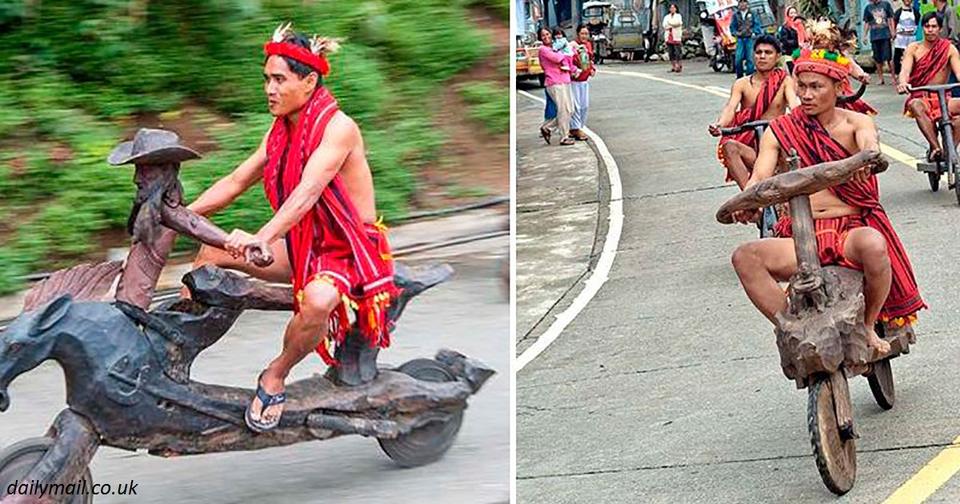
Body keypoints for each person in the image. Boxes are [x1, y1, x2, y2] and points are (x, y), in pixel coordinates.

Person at [185, 23, 401, 432]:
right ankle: (175, 342)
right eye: (266, 79)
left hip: (347, 251)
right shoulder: (281, 128)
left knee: (318, 301)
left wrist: (261, 238)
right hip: (305, 243)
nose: (269, 89)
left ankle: (275, 374)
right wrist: (177, 214)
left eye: (279, 79)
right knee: (210, 253)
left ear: (309, 81)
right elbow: (234, 183)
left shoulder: (339, 128)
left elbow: (305, 194)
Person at [730, 47, 926, 355]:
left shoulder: (857, 123)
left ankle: (867, 325)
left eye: (816, 87)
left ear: (838, 88)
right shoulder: (780, 131)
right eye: (802, 86)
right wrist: (746, 201)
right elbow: (759, 178)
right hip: (800, 235)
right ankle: (794, 327)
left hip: (851, 230)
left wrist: (864, 161)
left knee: (874, 246)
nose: (806, 95)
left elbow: (870, 148)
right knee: (745, 257)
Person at [709, 34, 800, 189]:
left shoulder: (785, 81)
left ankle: (786, 200)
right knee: (729, 147)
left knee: (791, 150)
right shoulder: (742, 83)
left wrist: (802, 119)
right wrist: (719, 125)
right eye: (758, 52)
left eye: (768, 53)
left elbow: (794, 104)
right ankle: (750, 201)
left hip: (776, 144)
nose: (762, 56)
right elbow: (730, 108)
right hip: (752, 145)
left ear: (777, 56)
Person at [897, 11, 960, 161]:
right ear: (922, 28)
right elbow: (905, 70)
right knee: (915, 105)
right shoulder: (913, 48)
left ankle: (950, 150)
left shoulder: (949, 48)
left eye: (934, 26)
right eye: (927, 26)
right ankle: (935, 147)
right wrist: (903, 83)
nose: (930, 30)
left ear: (939, 29)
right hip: (921, 97)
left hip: (944, 98)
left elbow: (959, 72)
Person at [536, 27, 576, 145]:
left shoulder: (555, 47)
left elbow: (569, 61)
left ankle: (547, 127)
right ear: (540, 38)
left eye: (548, 34)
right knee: (563, 110)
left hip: (565, 80)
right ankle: (564, 137)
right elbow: (558, 58)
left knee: (570, 110)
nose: (546, 37)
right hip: (554, 82)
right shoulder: (543, 50)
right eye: (543, 35)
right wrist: (565, 48)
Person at [569, 24, 596, 141]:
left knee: (584, 106)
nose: (584, 36)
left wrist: (592, 69)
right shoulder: (572, 46)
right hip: (575, 80)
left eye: (586, 34)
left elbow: (590, 60)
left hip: (585, 80)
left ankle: (579, 127)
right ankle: (575, 128)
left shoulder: (588, 45)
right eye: (582, 34)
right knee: (576, 106)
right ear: (578, 34)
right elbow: (570, 61)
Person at [864, 0, 898, 85]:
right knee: (877, 58)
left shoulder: (886, 4)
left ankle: (893, 78)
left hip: (885, 35)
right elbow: (867, 22)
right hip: (874, 36)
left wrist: (893, 31)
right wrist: (865, 35)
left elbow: (890, 19)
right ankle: (881, 78)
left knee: (889, 58)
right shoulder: (868, 8)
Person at [731, 0, 757, 78]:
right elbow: (732, 27)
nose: (743, 4)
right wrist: (735, 33)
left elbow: (757, 24)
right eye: (741, 2)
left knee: (750, 59)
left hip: (750, 39)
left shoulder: (752, 14)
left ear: (747, 4)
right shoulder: (736, 15)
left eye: (744, 2)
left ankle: (749, 77)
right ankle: (739, 77)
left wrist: (754, 32)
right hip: (740, 39)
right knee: (738, 59)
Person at [778, 6, 807, 72]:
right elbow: (785, 41)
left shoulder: (800, 24)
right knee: (793, 71)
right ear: (787, 15)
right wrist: (797, 43)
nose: (793, 15)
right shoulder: (785, 27)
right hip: (790, 53)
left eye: (794, 13)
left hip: (801, 51)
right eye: (791, 13)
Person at [894, 3, 919, 74]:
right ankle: (898, 74)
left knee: (912, 55)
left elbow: (917, 23)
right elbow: (894, 22)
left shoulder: (915, 11)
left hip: (911, 38)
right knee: (898, 57)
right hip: (900, 39)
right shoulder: (898, 12)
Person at [664, 3, 684, 73]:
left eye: (673, 8)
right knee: (670, 52)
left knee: (678, 52)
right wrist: (671, 24)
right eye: (671, 8)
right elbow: (665, 25)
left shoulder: (678, 16)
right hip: (669, 36)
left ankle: (678, 65)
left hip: (676, 36)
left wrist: (670, 24)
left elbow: (678, 23)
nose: (672, 9)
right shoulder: (667, 17)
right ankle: (673, 66)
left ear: (676, 9)